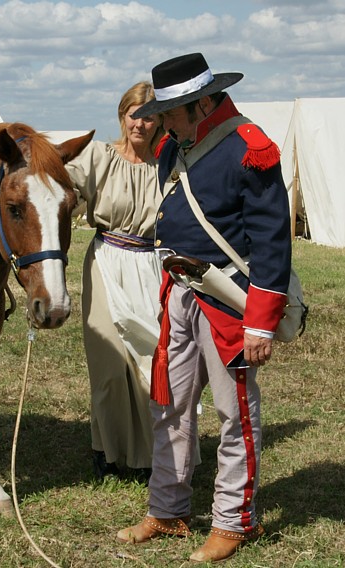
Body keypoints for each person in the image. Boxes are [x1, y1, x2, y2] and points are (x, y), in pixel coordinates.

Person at [115, 53, 292, 563]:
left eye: (169, 110)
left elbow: (272, 243)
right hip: (180, 293)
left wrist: (260, 323)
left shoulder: (248, 148)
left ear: (203, 104)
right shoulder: (175, 146)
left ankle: (234, 521)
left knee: (232, 412)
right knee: (169, 406)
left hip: (227, 302)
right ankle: (168, 510)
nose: (159, 121)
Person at [66, 82, 165, 481]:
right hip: (106, 260)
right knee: (108, 364)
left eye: (149, 115)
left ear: (160, 121)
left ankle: (148, 456)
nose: (140, 123)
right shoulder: (98, 158)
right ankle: (106, 451)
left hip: (152, 264)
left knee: (149, 360)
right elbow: (59, 187)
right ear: (122, 116)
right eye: (133, 114)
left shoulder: (169, 164)